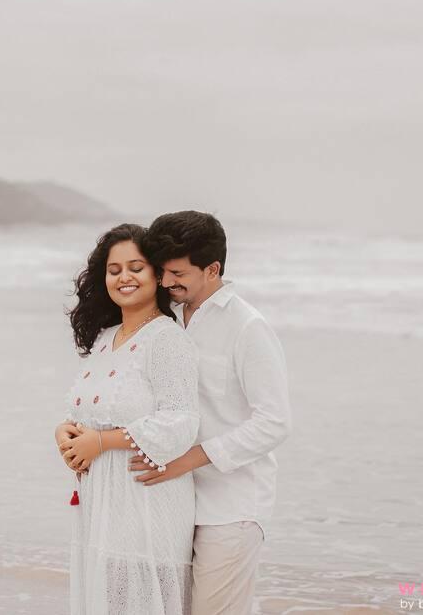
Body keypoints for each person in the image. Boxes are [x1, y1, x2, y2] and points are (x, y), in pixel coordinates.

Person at [132, 211, 292, 615]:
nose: (167, 282)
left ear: (213, 268)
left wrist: (189, 460)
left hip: (232, 506)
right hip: (173, 499)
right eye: (163, 272)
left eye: (178, 273)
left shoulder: (247, 327)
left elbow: (274, 422)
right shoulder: (164, 319)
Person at [55, 223, 200, 615]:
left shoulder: (166, 340)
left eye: (136, 267)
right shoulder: (106, 337)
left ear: (156, 274)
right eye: (114, 269)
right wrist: (64, 433)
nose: (125, 277)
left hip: (146, 505)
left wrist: (101, 443)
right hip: (101, 506)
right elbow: (87, 409)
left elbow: (182, 421)